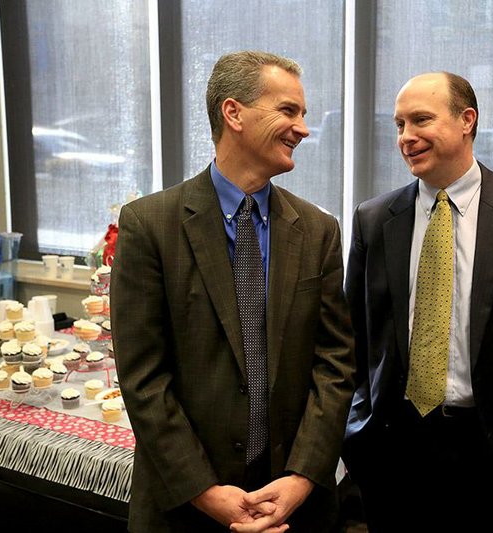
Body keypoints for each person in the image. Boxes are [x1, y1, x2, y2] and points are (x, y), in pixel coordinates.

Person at [112, 50, 356, 533]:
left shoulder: (318, 229)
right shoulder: (150, 226)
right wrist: (204, 491)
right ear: (234, 112)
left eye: (302, 114)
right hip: (184, 506)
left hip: (291, 502)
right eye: (288, 111)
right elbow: (143, 378)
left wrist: (304, 476)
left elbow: (335, 364)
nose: (303, 128)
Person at [342, 71, 493, 532]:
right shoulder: (375, 219)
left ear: (466, 121)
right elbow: (354, 334)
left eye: (420, 120)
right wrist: (357, 423)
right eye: (399, 125)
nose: (406, 137)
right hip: (397, 449)